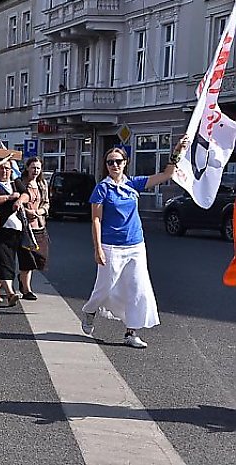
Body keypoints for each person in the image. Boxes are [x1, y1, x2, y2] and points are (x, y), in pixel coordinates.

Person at [82, 137, 189, 348]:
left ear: (125, 162)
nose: (114, 165)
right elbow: (96, 219)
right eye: (110, 162)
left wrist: (177, 150)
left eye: (118, 161)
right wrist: (97, 248)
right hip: (111, 245)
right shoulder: (103, 188)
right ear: (106, 166)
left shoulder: (134, 184)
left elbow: (167, 174)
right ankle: (89, 310)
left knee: (137, 288)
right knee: (105, 287)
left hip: (135, 245)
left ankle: (131, 332)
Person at [0, 161, 29, 306]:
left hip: (16, 231)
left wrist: (19, 201)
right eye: (1, 168)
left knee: (7, 262)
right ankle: (11, 293)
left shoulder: (15, 182)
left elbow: (26, 194)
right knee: (4, 262)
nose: (5, 171)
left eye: (7, 168)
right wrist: (8, 198)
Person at [18, 156, 50, 300]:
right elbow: (16, 204)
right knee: (27, 260)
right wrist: (27, 212)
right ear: (27, 168)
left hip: (39, 226)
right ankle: (27, 290)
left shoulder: (42, 183)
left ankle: (20, 279)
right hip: (24, 227)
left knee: (40, 258)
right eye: (33, 168)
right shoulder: (20, 183)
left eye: (38, 168)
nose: (35, 171)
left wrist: (39, 212)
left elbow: (46, 203)